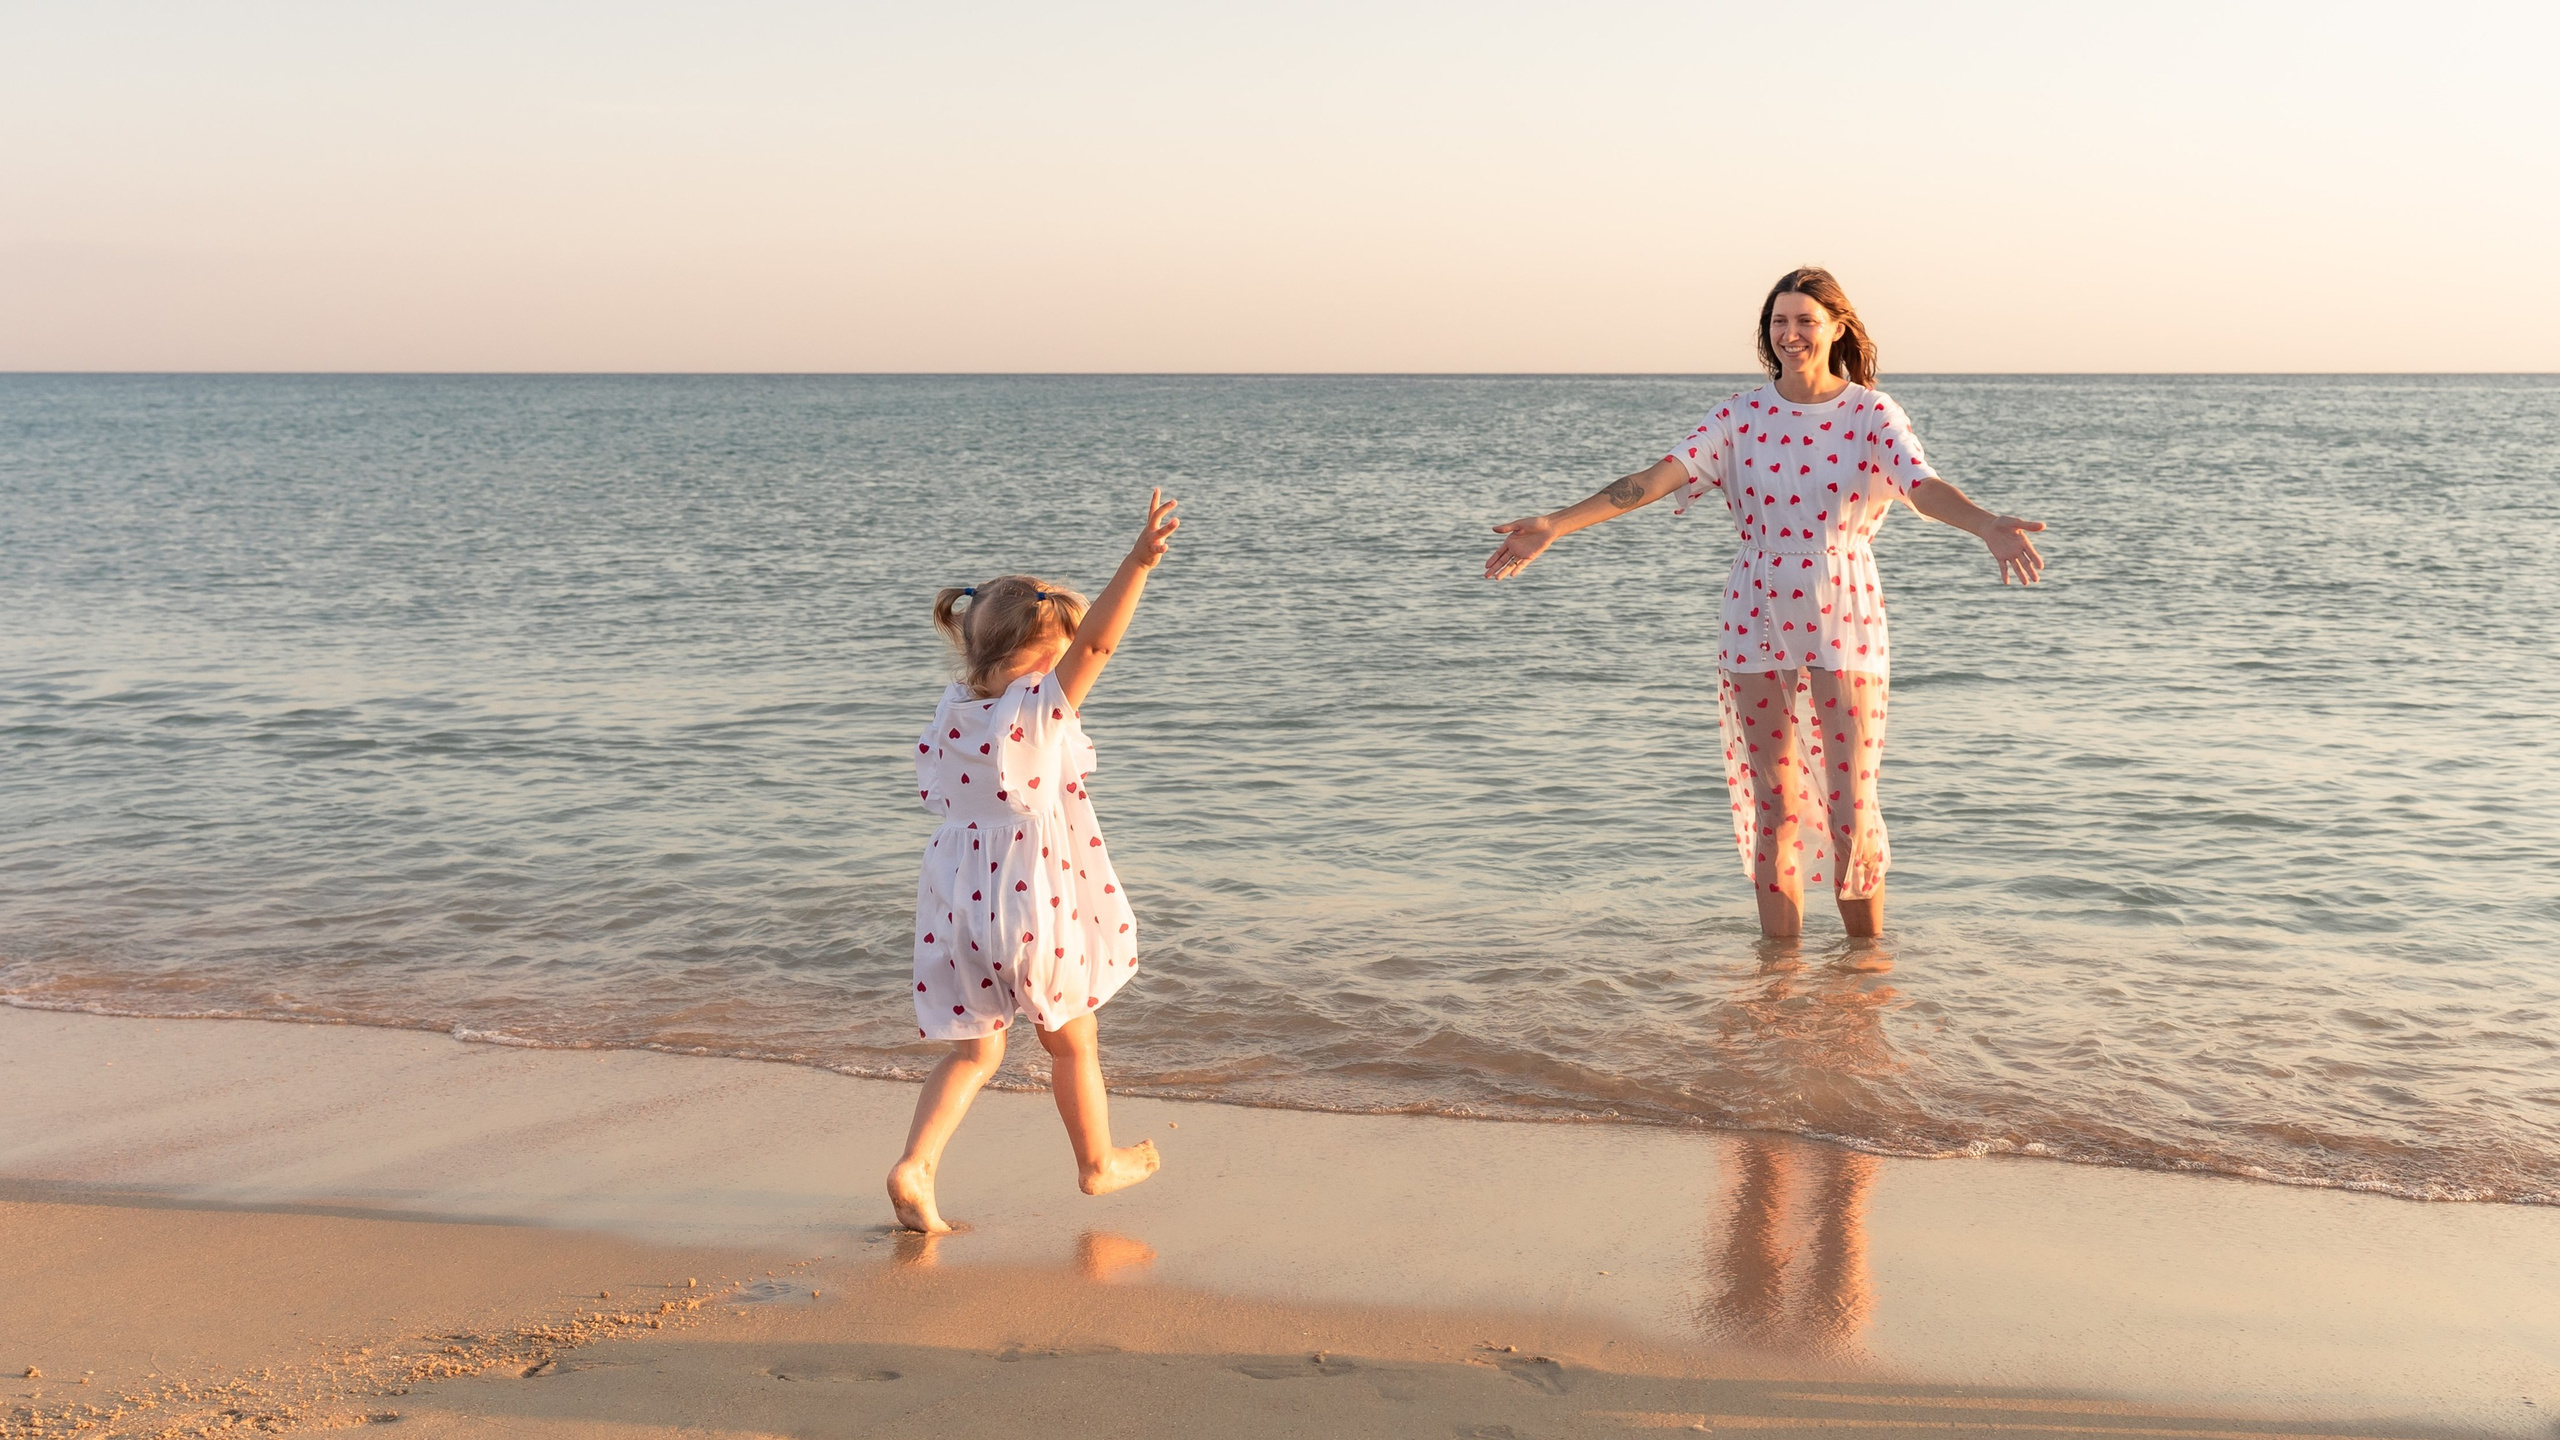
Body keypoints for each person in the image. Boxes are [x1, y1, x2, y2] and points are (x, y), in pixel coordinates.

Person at [1483, 268, 2046, 938]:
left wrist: (1985, 524)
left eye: (1806, 320)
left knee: (1850, 807)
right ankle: (1778, 978)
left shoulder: (1870, 414)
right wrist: (1555, 523)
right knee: (1775, 805)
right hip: (1755, 611)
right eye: (1780, 321)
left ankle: (1864, 973)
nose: (1791, 334)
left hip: (1844, 609)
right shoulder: (1739, 416)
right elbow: (1653, 481)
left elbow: (1921, 486)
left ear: (1836, 327)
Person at [887, 489, 1181, 1233]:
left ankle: (916, 1166)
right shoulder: (1040, 712)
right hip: (1031, 902)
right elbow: (1100, 647)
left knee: (973, 1055)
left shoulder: (953, 710)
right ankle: (1096, 1161)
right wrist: (1138, 563)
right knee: (1071, 1041)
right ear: (1051, 657)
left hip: (956, 902)